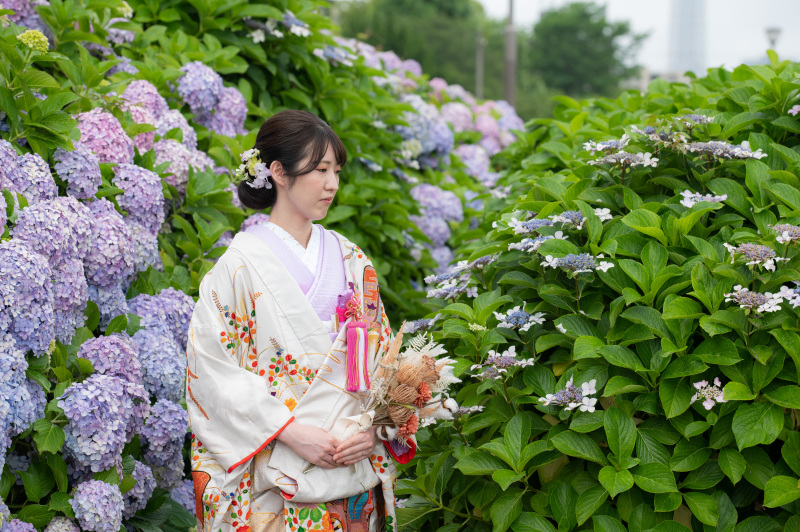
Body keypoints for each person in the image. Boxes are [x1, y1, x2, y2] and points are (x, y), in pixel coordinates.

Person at [186, 110, 415, 532]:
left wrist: (376, 429)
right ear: (278, 172)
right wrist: (288, 431)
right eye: (320, 170)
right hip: (275, 466)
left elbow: (385, 360)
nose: (332, 184)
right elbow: (212, 372)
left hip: (351, 469)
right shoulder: (236, 268)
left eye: (336, 171)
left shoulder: (352, 261)